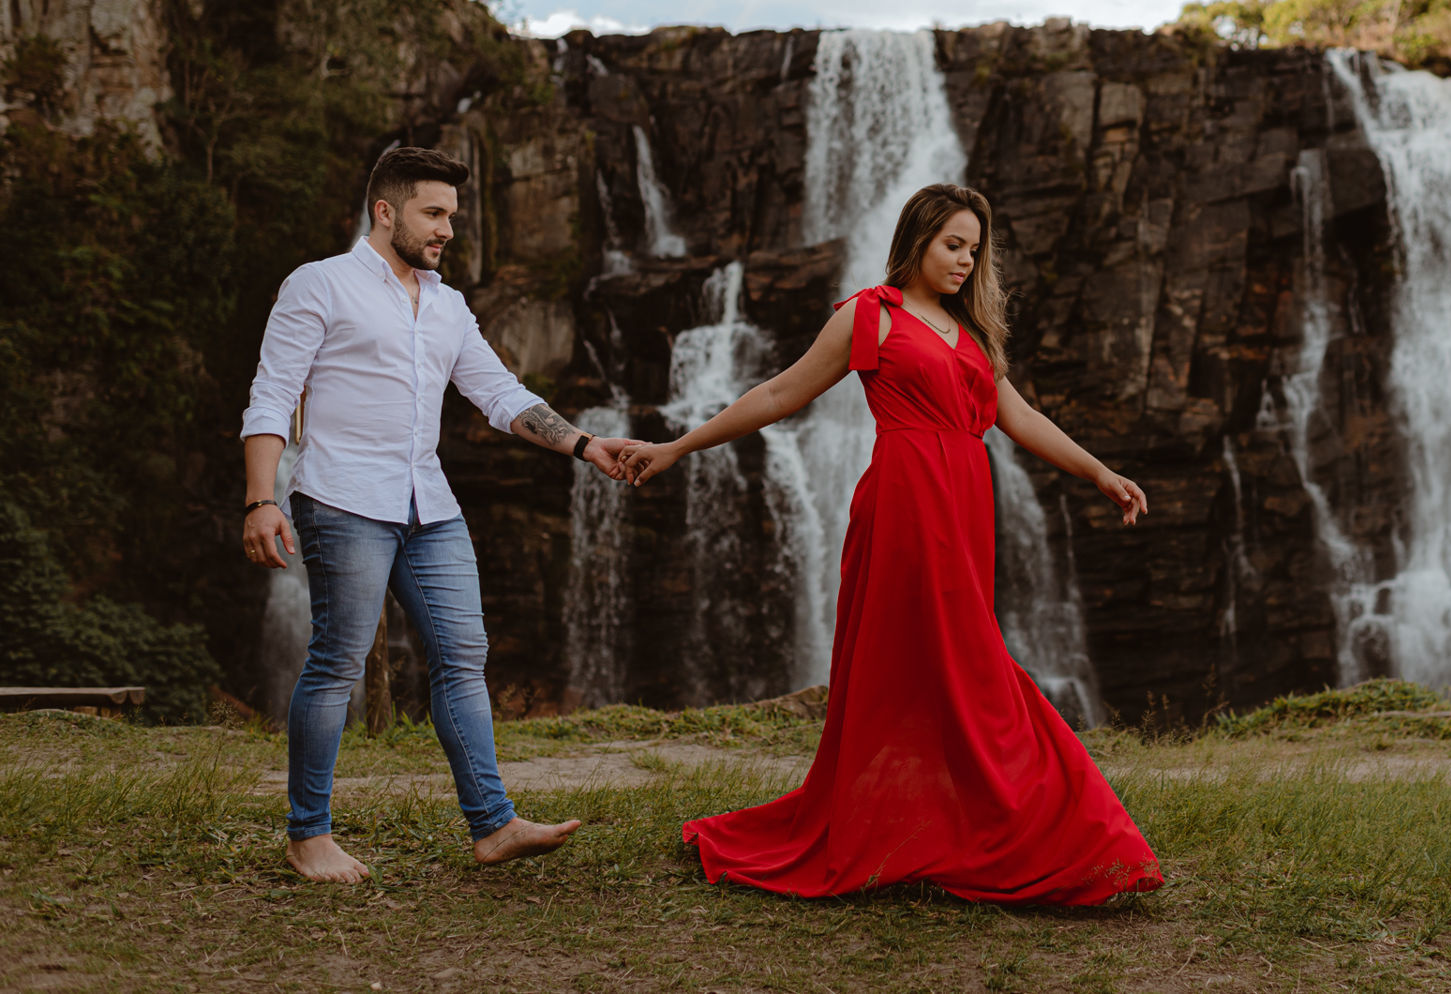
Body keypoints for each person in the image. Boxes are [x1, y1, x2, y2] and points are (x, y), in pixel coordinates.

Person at [618, 183, 1163, 904]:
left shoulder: (973, 334)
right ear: (917, 240)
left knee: (960, 662)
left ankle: (967, 828)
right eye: (952, 245)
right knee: (937, 665)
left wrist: (1099, 472)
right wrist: (677, 447)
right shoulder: (870, 314)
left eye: (974, 250)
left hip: (965, 503)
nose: (965, 261)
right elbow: (780, 393)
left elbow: (1021, 417)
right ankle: (1050, 831)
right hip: (905, 501)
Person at [240, 146, 636, 884]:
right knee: (337, 662)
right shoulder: (319, 284)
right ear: (384, 211)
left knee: (462, 656)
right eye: (434, 213)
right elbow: (271, 395)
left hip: (430, 506)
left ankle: (494, 825)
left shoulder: (448, 304)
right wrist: (262, 499)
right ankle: (308, 836)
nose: (448, 229)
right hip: (342, 498)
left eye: (452, 215)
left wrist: (587, 445)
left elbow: (502, 395)